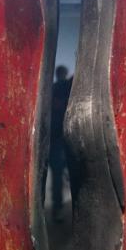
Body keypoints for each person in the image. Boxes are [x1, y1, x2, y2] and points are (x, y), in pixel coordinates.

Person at [48, 64, 72, 220]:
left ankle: (58, 207)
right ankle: (58, 208)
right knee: (58, 175)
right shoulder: (58, 88)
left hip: (62, 138)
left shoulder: (58, 88)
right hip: (59, 139)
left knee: (60, 175)